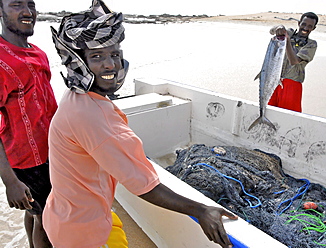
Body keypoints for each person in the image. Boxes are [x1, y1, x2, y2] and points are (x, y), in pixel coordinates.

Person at [42, 0, 238, 247]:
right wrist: (201, 210)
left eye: (114, 54)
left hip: (66, 213)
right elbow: (144, 186)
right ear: (78, 62)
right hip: (83, 233)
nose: (110, 64)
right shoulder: (93, 116)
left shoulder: (75, 97)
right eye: (97, 56)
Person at [0, 0, 57, 247]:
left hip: (52, 152)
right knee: (48, 218)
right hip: (26, 161)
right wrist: (10, 181)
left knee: (35, 212)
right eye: (16, 5)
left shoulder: (38, 52)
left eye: (31, 5)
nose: (27, 12)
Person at [268, 12, 319, 112]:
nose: (305, 28)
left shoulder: (311, 44)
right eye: (303, 24)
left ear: (313, 28)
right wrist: (279, 27)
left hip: (292, 83)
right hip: (275, 80)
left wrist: (287, 42)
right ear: (299, 23)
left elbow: (294, 61)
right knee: (269, 112)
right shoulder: (289, 32)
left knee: (289, 117)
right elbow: (271, 31)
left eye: (310, 26)